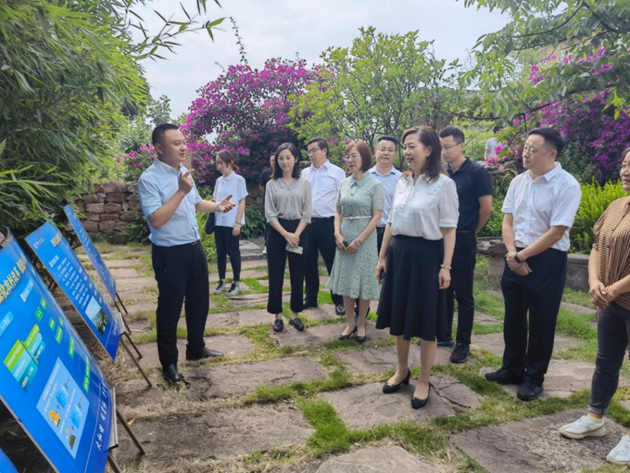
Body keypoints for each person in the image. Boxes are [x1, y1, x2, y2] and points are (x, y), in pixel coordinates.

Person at [484, 127, 582, 401]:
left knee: (541, 322)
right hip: (515, 255)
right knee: (513, 318)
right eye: (525, 148)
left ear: (552, 154)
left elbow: (557, 231)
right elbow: (508, 221)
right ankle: (512, 368)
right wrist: (514, 254)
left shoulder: (567, 185)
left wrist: (521, 257)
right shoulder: (518, 182)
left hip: (547, 259)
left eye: (533, 150)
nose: (525, 154)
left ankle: (534, 378)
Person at [138, 123, 235, 383]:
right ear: (158, 148)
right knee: (169, 308)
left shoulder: (182, 171)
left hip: (193, 247)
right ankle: (168, 363)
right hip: (170, 253)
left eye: (183, 142)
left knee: (199, 302)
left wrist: (217, 206)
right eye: (176, 143)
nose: (183, 147)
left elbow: (195, 202)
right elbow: (156, 220)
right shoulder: (148, 179)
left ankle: (195, 348)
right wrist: (181, 191)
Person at [376, 126, 458, 409]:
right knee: (399, 316)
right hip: (399, 254)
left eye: (412, 146)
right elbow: (390, 223)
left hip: (427, 257)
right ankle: (402, 370)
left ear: (429, 150)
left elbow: (449, 229)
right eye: (405, 147)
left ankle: (424, 379)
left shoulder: (444, 185)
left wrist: (445, 266)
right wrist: (382, 257)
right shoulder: (402, 181)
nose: (407, 152)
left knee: (426, 322)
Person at [559, 148, 630, 465]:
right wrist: (594, 283)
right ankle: (595, 418)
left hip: (619, 295)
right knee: (606, 362)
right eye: (625, 164)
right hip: (610, 302)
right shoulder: (616, 207)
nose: (626, 171)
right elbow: (595, 246)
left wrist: (613, 288)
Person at [438, 126, 493, 363]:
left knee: (464, 293)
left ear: (462, 145)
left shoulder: (476, 172)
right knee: (443, 287)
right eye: (440, 148)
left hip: (463, 237)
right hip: (440, 238)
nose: (443, 152)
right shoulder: (443, 173)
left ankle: (463, 342)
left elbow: (487, 208)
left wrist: (471, 231)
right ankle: (443, 333)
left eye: (447, 147)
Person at [327, 140, 384, 343]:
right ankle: (350, 323)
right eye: (347, 156)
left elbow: (377, 217)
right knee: (346, 281)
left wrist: (359, 240)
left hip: (365, 239)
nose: (349, 160)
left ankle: (361, 325)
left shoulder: (375, 185)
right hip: (343, 237)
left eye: (354, 156)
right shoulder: (343, 183)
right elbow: (337, 211)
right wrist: (337, 234)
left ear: (364, 158)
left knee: (362, 281)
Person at [265, 142, 312, 333]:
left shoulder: (305, 184)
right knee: (275, 274)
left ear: (296, 159)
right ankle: (277, 315)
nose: (285, 162)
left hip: (299, 231)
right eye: (281, 158)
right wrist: (285, 234)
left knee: (297, 274)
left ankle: (295, 314)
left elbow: (307, 213)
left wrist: (296, 235)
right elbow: (270, 214)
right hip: (277, 232)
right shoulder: (271, 184)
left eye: (288, 157)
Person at [302, 138, 347, 316]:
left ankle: (338, 299)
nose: (311, 154)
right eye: (309, 151)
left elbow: (342, 201)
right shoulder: (305, 173)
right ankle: (311, 296)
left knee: (333, 262)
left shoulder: (337, 172)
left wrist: (339, 229)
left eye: (314, 150)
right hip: (307, 223)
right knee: (308, 262)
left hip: (328, 224)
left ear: (324, 151)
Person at [213, 149, 248, 297]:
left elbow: (242, 202)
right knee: (220, 253)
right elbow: (215, 201)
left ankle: (236, 282)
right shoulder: (218, 181)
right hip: (218, 222)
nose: (219, 166)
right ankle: (221, 281)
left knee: (233, 253)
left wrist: (238, 223)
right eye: (217, 163)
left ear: (231, 162)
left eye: (221, 163)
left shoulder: (239, 180)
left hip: (231, 222)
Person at [368, 136, 402, 254]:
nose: (386, 153)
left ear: (395, 154)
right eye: (382, 149)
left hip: (392, 233)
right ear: (375, 151)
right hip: (368, 233)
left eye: (390, 150)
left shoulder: (402, 179)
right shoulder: (365, 177)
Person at [259, 155, 275, 256]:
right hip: (268, 202)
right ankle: (266, 245)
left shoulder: (282, 172)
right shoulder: (266, 173)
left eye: (275, 160)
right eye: (272, 160)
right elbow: (261, 186)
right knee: (268, 223)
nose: (273, 162)